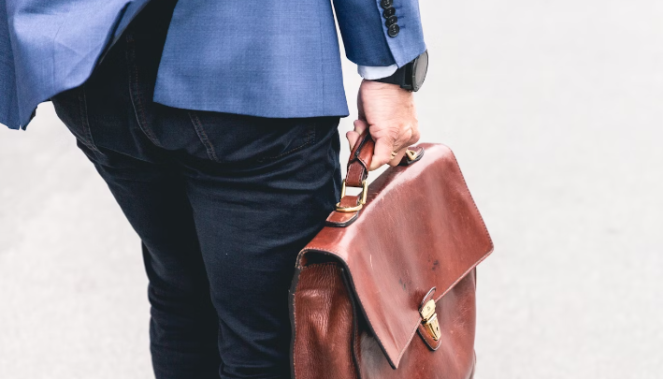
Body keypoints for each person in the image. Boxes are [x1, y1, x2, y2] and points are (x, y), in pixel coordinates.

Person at [0, 0, 429, 378]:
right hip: (250, 58)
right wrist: (389, 65)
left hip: (90, 62)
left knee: (184, 294)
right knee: (273, 334)